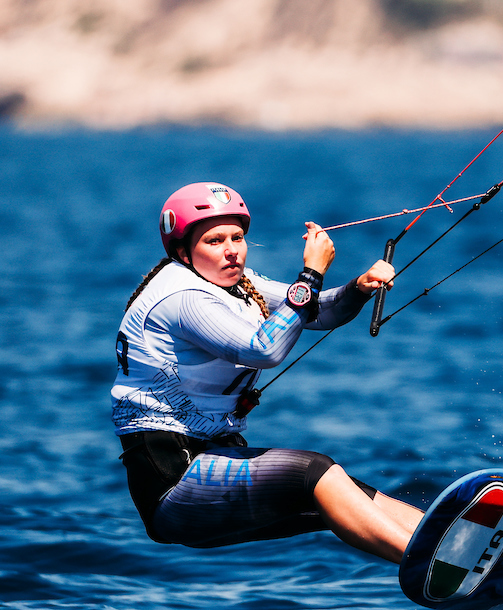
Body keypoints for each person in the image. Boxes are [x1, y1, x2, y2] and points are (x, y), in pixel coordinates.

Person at [112, 182, 422, 564]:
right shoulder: (182, 297)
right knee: (316, 472)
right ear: (181, 250)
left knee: (348, 492)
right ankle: (432, 564)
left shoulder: (238, 284)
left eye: (237, 238)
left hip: (215, 463)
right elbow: (264, 348)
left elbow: (316, 311)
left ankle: (456, 543)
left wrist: (358, 288)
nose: (231, 251)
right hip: (174, 484)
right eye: (214, 241)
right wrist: (310, 273)